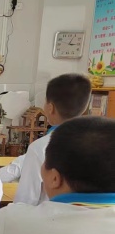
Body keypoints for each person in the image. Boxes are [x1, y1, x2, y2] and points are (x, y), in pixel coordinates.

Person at [15, 73, 91, 205]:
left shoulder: (41, 147)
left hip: (48, 215)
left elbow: (25, 199)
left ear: (50, 108)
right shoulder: (97, 143)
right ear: (84, 107)